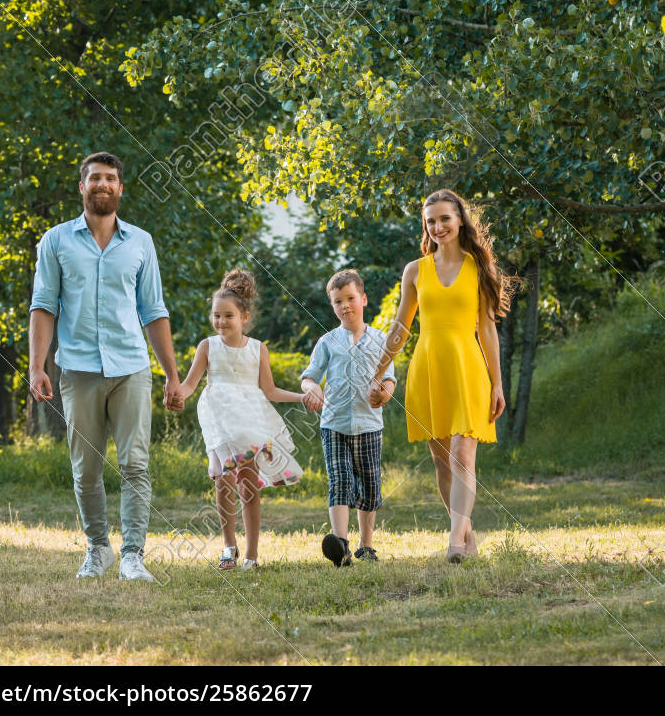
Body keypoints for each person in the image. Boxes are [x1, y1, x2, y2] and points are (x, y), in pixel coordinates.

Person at [28, 151, 185, 582]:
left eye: (110, 178)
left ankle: (133, 554)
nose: (102, 184)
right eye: (94, 178)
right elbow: (43, 306)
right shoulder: (55, 241)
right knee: (87, 469)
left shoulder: (140, 242)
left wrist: (172, 376)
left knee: (135, 464)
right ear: (82, 187)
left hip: (131, 368)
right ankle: (99, 548)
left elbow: (154, 311)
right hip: (77, 370)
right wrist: (37, 366)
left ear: (120, 188)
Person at [369, 189, 515, 563]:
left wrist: (497, 383)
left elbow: (487, 328)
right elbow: (401, 325)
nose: (438, 227)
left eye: (445, 218)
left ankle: (453, 543)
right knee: (441, 461)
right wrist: (379, 372)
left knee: (463, 454)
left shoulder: (479, 266)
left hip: (468, 370)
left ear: (460, 219)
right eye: (430, 221)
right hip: (428, 368)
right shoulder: (415, 270)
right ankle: (466, 535)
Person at [177, 269, 307, 570]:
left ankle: (251, 554)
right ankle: (228, 547)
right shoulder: (207, 347)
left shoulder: (258, 349)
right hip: (219, 422)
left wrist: (302, 398)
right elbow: (190, 384)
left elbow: (270, 390)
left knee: (248, 485)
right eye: (216, 316)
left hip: (249, 421)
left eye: (228, 316)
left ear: (244, 317)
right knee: (223, 482)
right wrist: (177, 393)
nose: (221, 322)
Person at [301, 269, 397, 567]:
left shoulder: (381, 340)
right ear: (332, 306)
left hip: (369, 425)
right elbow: (309, 377)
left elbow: (390, 380)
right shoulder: (328, 342)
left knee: (369, 485)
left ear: (363, 299)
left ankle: (365, 546)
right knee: (339, 481)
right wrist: (313, 389)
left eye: (351, 299)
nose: (345, 306)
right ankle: (340, 545)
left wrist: (384, 393)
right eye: (338, 301)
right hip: (334, 424)